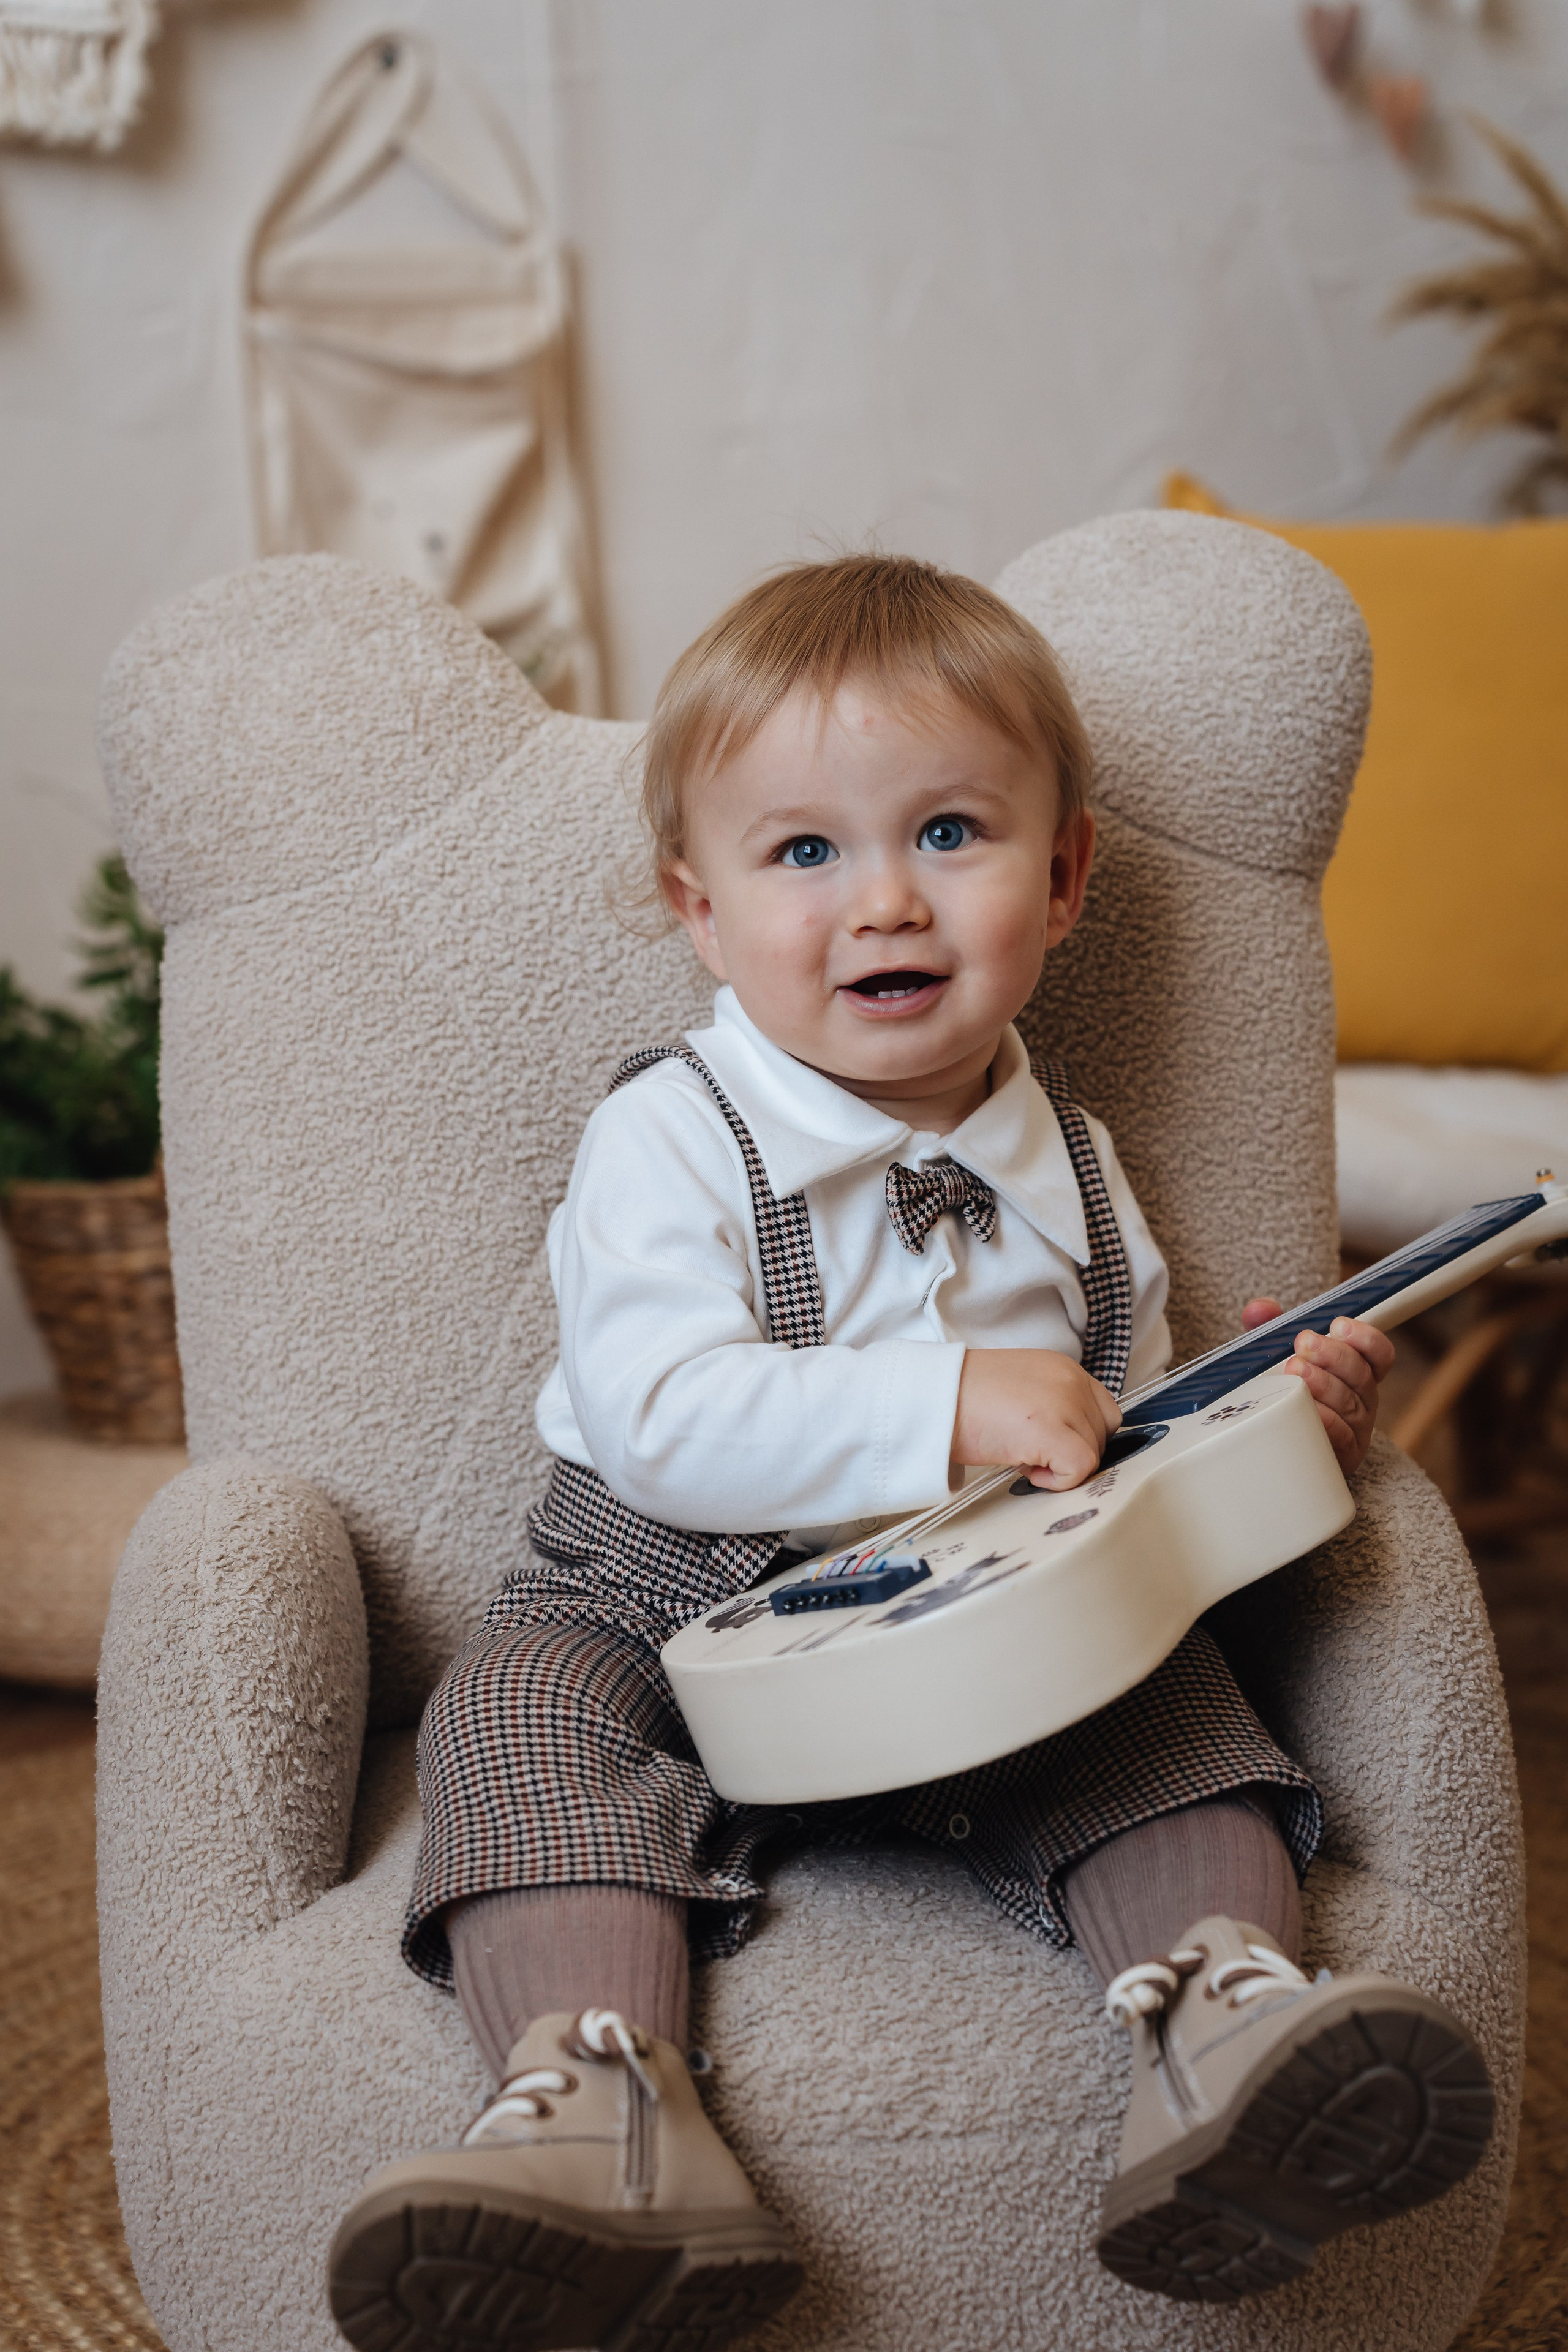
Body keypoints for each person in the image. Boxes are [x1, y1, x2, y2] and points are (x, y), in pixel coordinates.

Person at [327, 556, 1494, 2351]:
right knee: (516, 1725)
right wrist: (949, 1403)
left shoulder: (1086, 1176)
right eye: (804, 855)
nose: (884, 901)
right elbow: (657, 1412)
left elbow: (1127, 1473)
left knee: (1174, 1718)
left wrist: (1273, 1429)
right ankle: (602, 2119)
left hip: (982, 1623)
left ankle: (1225, 2032)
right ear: (697, 910)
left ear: (1067, 875)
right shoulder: (675, 1132)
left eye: (951, 831)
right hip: (657, 1584)